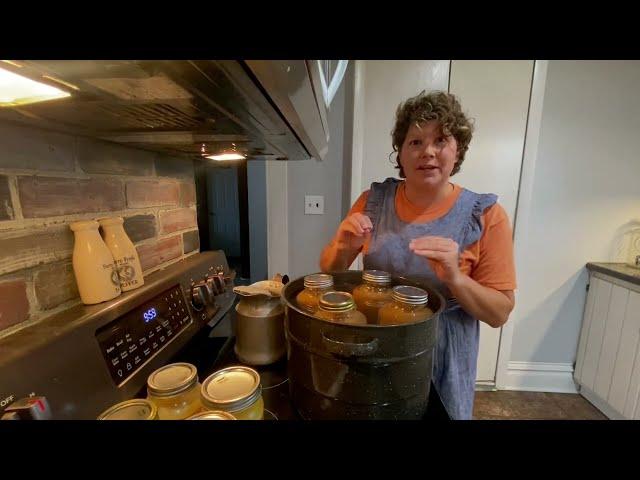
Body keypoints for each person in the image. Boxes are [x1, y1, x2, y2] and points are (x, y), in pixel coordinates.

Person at [319, 90, 516, 419]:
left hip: (444, 358)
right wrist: (341, 246)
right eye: (415, 142)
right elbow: (328, 271)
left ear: (458, 150)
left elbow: (499, 314)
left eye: (440, 140)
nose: (428, 152)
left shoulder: (486, 215)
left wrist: (455, 278)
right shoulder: (372, 201)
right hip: (377, 349)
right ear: (401, 151)